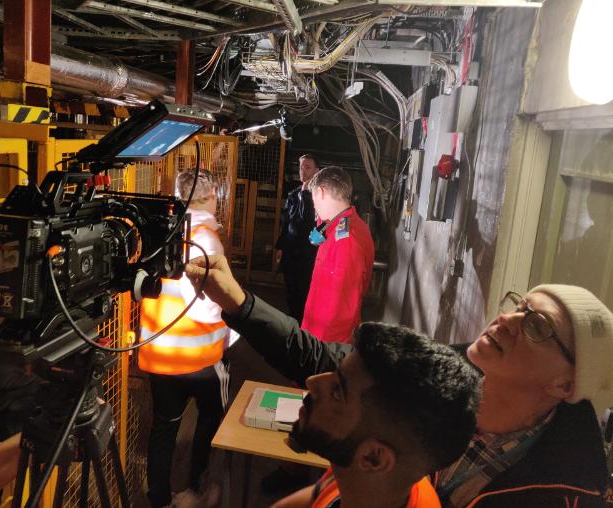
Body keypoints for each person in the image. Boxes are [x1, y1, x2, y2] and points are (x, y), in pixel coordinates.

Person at [185, 255, 613, 508]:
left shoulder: (570, 489)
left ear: (565, 385)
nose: (509, 319)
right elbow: (328, 362)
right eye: (519, 305)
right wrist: (236, 301)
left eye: (537, 326)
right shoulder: (446, 377)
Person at [138, 169, 232, 508]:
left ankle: (160, 499)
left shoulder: (159, 231)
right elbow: (209, 306)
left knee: (163, 428)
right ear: (212, 196)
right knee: (212, 419)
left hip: (159, 353)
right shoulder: (206, 238)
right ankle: (198, 488)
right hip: (201, 358)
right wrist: (231, 331)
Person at [302, 166, 375, 343]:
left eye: (314, 201)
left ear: (320, 192)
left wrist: (317, 347)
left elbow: (340, 307)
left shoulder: (345, 240)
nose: (315, 207)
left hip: (327, 340)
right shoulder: (344, 224)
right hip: (320, 332)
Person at [275, 154, 320, 323]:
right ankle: (294, 319)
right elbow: (286, 222)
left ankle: (303, 323)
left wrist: (306, 193)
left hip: (307, 253)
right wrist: (280, 246)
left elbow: (308, 222)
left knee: (304, 290)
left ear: (317, 171)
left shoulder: (318, 197)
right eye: (301, 167)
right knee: (290, 288)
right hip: (290, 251)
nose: (303, 171)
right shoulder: (294, 194)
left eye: (307, 167)